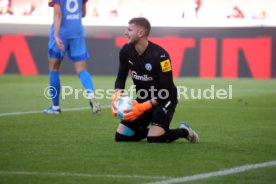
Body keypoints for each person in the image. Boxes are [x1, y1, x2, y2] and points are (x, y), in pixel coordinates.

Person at [111, 17, 199, 143]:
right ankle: (155, 131)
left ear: (140, 33)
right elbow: (121, 77)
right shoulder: (126, 51)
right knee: (122, 136)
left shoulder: (160, 56)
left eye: (129, 30)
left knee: (155, 139)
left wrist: (141, 108)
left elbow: (166, 90)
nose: (125, 32)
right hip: (143, 98)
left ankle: (184, 131)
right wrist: (116, 97)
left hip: (165, 99)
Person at [44, 0, 100, 114]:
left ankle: (55, 107)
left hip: (61, 33)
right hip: (77, 32)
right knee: (82, 69)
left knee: (54, 69)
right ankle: (91, 93)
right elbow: (83, 13)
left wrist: (55, 35)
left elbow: (58, 13)